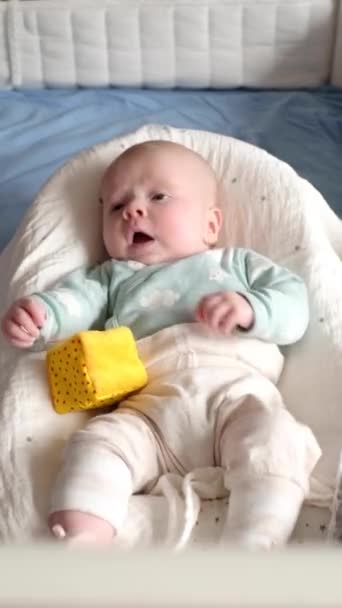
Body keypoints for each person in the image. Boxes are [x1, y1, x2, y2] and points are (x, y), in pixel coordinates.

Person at [1, 140, 321, 548]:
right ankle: (82, 540)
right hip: (148, 411)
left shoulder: (236, 264)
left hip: (238, 398)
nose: (133, 210)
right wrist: (41, 314)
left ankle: (253, 542)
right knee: (98, 443)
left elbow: (294, 306)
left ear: (210, 225)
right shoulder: (112, 277)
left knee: (277, 437)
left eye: (158, 196)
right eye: (117, 206)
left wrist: (251, 308)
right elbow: (74, 301)